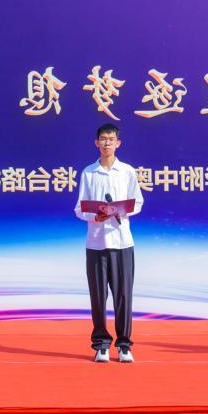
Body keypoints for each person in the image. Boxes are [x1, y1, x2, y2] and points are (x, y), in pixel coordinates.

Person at [74, 123, 144, 363]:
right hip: (95, 243)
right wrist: (95, 215)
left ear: (118, 143)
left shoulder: (127, 172)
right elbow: (79, 208)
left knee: (123, 295)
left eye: (111, 139)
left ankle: (124, 345)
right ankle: (101, 344)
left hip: (122, 242)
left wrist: (120, 210)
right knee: (98, 296)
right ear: (96, 143)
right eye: (103, 139)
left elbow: (138, 202)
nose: (107, 143)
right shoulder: (88, 173)